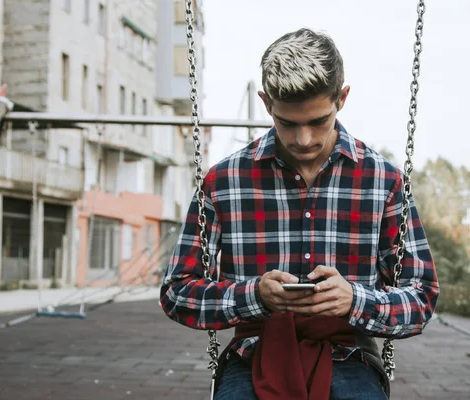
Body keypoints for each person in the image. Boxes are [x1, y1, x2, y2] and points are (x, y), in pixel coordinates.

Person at [160, 28, 439, 400]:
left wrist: (355, 300)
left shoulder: (383, 182)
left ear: (342, 98)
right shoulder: (223, 181)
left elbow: (421, 297)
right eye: (288, 123)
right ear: (266, 103)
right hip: (254, 355)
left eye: (318, 121)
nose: (303, 139)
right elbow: (177, 291)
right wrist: (254, 295)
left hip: (350, 356)